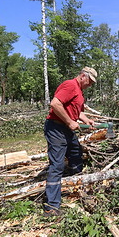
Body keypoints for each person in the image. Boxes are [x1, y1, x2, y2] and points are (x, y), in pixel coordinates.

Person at [43, 67, 97, 217]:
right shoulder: (70, 85)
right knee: (57, 165)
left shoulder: (79, 91)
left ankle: (76, 186)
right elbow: (55, 104)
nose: (90, 85)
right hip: (56, 128)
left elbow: (75, 110)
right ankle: (51, 207)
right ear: (82, 76)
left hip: (66, 129)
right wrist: (69, 122)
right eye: (90, 81)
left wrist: (86, 119)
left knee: (76, 153)